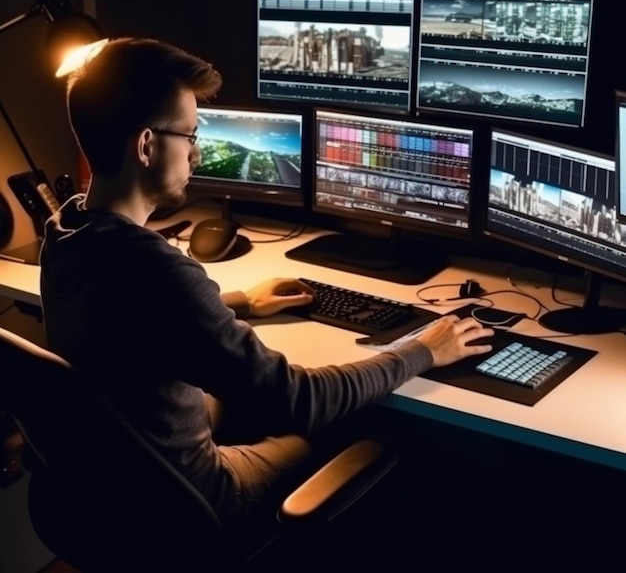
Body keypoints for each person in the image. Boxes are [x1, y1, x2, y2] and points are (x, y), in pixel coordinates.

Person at [39, 37, 494, 527]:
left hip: (117, 488)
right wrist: (421, 350)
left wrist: (240, 303)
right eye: (190, 136)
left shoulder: (66, 232)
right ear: (147, 145)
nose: (197, 154)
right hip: (199, 499)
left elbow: (140, 321)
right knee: (364, 421)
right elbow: (301, 401)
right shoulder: (157, 271)